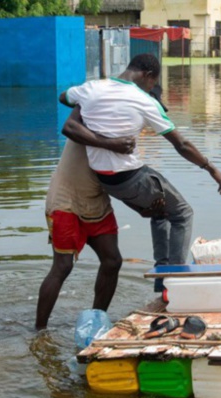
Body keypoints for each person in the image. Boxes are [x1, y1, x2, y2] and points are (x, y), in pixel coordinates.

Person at [59, 53, 221, 292]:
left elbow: (63, 97)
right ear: (148, 75)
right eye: (152, 84)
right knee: (183, 213)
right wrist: (211, 168)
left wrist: (92, 106)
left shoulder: (92, 88)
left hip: (106, 180)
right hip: (131, 177)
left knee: (160, 212)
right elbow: (182, 145)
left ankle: (162, 280)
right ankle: (175, 282)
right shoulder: (144, 100)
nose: (151, 89)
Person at [35, 106, 137, 330]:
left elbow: (122, 178)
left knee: (112, 261)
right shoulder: (94, 114)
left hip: (95, 201)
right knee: (62, 267)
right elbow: (69, 125)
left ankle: (96, 321)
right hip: (66, 200)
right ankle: (39, 331)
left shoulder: (122, 129)